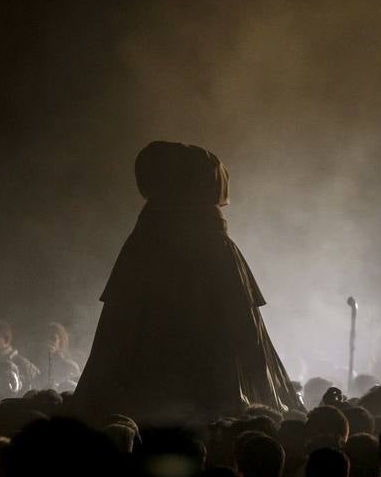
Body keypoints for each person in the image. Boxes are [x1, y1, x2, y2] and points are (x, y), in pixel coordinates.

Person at [74, 141, 293, 424]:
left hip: (146, 391)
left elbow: (118, 328)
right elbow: (245, 333)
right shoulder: (213, 244)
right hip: (204, 388)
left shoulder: (145, 241)